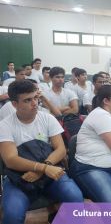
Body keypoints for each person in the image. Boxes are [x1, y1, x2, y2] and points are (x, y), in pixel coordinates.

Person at [0, 80, 83, 224]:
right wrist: (43, 168)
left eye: (35, 98)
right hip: (20, 177)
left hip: (49, 173)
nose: (34, 103)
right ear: (14, 104)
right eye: (27, 100)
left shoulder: (47, 118)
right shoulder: (5, 125)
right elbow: (11, 159)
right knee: (13, 215)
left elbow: (61, 149)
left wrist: (44, 167)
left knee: (75, 197)